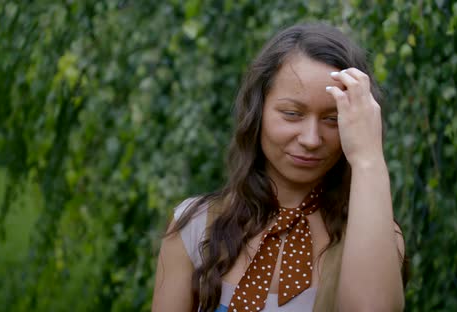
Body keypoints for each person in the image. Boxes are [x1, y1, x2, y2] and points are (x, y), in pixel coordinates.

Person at [152, 23, 408, 312]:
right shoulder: (195, 227)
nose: (311, 139)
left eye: (332, 119)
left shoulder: (374, 237)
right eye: (292, 114)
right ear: (258, 112)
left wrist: (368, 157)